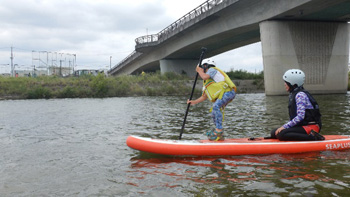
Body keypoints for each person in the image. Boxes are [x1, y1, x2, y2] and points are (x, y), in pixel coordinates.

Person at [187, 58, 236, 141]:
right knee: (213, 112)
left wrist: (199, 70)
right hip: (224, 94)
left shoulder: (212, 70)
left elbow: (204, 76)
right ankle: (219, 133)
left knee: (216, 106)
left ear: (206, 66)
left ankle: (219, 131)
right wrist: (194, 102)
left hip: (229, 92)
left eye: (202, 67)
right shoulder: (209, 80)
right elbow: (205, 96)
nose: (201, 70)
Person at [270, 69, 324, 141]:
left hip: (311, 127)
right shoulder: (294, 94)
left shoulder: (300, 95)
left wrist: (285, 127)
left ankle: (313, 137)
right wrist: (285, 127)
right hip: (302, 126)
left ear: (292, 84)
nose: (284, 84)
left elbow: (300, 116)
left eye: (286, 82)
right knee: (274, 132)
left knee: (281, 134)